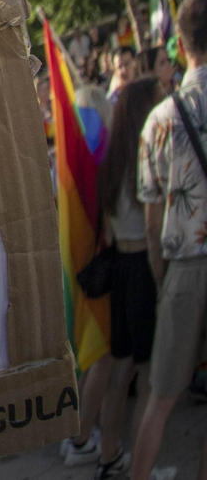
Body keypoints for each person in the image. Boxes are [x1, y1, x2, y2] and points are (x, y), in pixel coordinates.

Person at [63, 76, 166, 476]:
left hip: (121, 268)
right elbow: (154, 226)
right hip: (143, 268)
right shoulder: (141, 162)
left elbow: (106, 229)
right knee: (149, 380)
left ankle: (109, 457)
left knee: (121, 374)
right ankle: (143, 468)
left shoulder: (110, 165)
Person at [130, 0, 207, 480]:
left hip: (183, 266)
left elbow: (152, 216)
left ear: (180, 42)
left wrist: (160, 275)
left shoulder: (159, 118)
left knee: (160, 397)